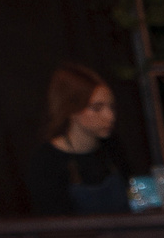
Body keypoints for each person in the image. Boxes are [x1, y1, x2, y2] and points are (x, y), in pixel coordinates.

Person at [23, 64, 130, 217]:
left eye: (111, 107)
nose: (110, 116)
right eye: (97, 108)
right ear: (72, 110)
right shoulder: (47, 160)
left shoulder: (111, 149)